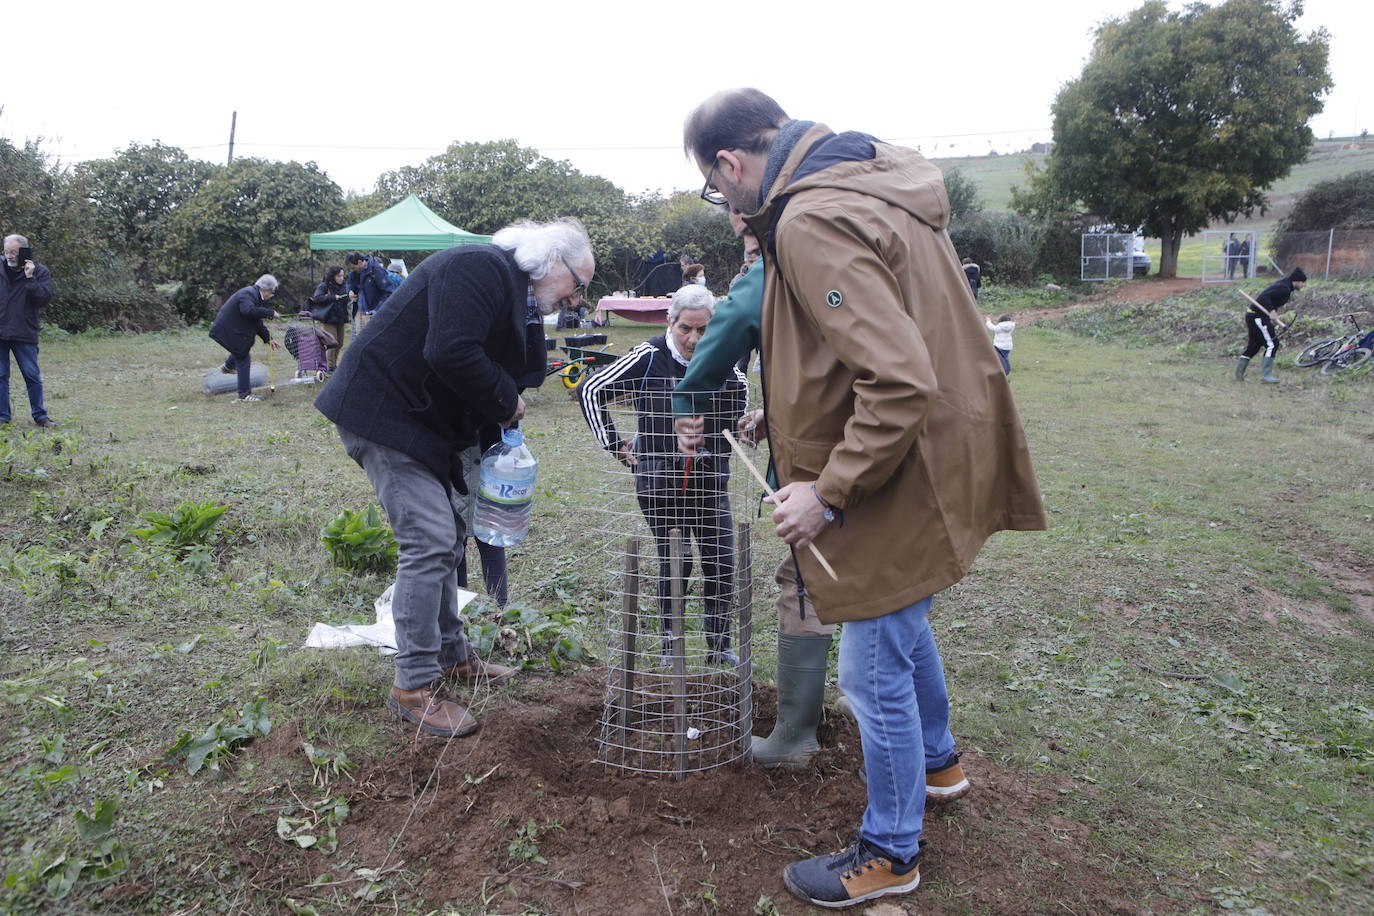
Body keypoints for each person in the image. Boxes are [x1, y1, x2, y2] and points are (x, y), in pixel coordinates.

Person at [683, 88, 1046, 909]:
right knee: (905, 619)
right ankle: (940, 760)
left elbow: (896, 377)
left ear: (731, 164)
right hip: (936, 446)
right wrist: (776, 413)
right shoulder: (872, 184)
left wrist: (827, 492)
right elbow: (858, 345)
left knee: (872, 657)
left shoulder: (810, 221)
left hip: (892, 468)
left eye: (717, 189)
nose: (726, 203)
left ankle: (890, 850)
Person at [316, 218, 593, 737]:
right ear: (553, 261)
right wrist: (505, 399)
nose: (577, 299)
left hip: (421, 424)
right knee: (430, 539)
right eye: (579, 284)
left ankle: (451, 654)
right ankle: (413, 684)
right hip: (385, 415)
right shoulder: (478, 266)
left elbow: (525, 368)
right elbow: (450, 350)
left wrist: (519, 375)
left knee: (447, 534)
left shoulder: (516, 292)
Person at [580, 285, 747, 665]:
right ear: (670, 322)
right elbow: (591, 389)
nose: (694, 339)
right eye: (686, 328)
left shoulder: (723, 362)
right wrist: (615, 445)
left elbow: (741, 399)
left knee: (720, 558)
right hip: (659, 481)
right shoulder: (649, 355)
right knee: (676, 559)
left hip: (708, 479)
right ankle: (672, 644)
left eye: (704, 330)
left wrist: (736, 426)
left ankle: (719, 645)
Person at [0, 234, 56, 428]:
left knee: (32, 375)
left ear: (23, 251)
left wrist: (30, 278)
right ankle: (2, 417)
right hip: (0, 332)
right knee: (0, 376)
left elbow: (42, 299)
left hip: (24, 332)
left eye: (13, 252)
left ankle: (40, 416)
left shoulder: (39, 271)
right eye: (6, 251)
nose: (8, 256)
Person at [210, 275, 282, 402]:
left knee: (241, 350)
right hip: (226, 329)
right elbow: (247, 311)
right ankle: (244, 395)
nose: (271, 295)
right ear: (265, 289)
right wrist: (270, 312)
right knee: (243, 356)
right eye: (272, 292)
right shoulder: (248, 294)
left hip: (232, 329)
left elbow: (256, 321)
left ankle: (228, 367)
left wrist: (268, 339)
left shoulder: (254, 295)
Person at [1236, 267, 1307, 383]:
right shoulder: (1284, 288)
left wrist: (1271, 311)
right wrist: (1272, 311)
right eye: (1303, 283)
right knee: (1272, 344)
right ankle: (1266, 376)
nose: (1303, 285)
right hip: (1257, 316)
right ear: (1297, 281)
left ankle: (1239, 375)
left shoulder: (1285, 285)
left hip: (1255, 316)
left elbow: (1269, 298)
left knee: (1254, 346)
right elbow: (1265, 297)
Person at [307, 265, 351, 369]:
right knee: (332, 342)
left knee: (340, 343)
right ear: (333, 276)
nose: (341, 278)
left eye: (342, 276)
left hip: (341, 317)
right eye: (339, 276)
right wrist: (332, 297)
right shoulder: (324, 285)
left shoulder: (345, 285)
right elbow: (317, 298)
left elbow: (346, 298)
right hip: (329, 318)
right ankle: (329, 366)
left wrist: (350, 297)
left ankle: (334, 364)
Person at [345, 251, 393, 330]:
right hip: (359, 314)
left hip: (375, 315)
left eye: (353, 267)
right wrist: (350, 291)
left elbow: (388, 293)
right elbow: (350, 283)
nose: (352, 270)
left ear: (360, 262)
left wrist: (376, 311)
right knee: (360, 341)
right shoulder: (354, 273)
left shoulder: (377, 271)